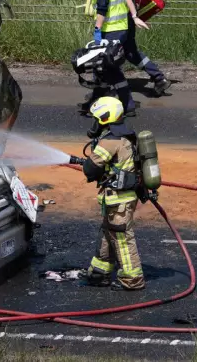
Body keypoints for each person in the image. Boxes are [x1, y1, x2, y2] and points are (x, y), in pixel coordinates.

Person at [81, 96, 145, 291]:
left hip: (119, 200)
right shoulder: (126, 135)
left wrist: (91, 158)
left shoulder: (110, 141)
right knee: (109, 233)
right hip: (119, 198)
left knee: (123, 238)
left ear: (105, 117)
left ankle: (132, 279)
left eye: (97, 118)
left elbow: (90, 170)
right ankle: (100, 272)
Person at [80, 0, 149, 117]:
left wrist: (97, 30)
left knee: (109, 68)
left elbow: (102, 8)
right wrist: (134, 16)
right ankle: (97, 101)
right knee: (103, 66)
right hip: (122, 27)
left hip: (111, 31)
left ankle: (127, 104)